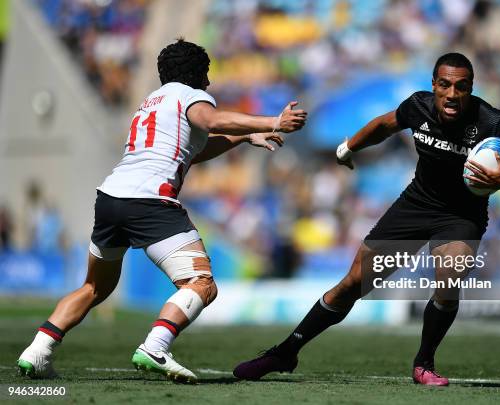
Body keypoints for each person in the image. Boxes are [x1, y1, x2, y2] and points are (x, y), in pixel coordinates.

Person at [233, 53, 500, 386]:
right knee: (353, 283)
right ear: (434, 85)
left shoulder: (494, 123)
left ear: (470, 88)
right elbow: (383, 125)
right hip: (416, 205)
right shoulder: (418, 107)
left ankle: (424, 363)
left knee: (449, 278)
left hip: (461, 215)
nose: (452, 94)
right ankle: (285, 351)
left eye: (461, 87)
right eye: (445, 85)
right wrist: (349, 147)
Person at [17, 39, 307, 383]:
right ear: (198, 74)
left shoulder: (151, 103)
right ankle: (156, 346)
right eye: (207, 75)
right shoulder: (191, 96)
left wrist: (244, 137)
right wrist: (272, 121)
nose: (210, 83)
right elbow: (212, 120)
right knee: (201, 284)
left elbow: (191, 152)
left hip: (111, 197)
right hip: (150, 201)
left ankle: (37, 350)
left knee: (95, 287)